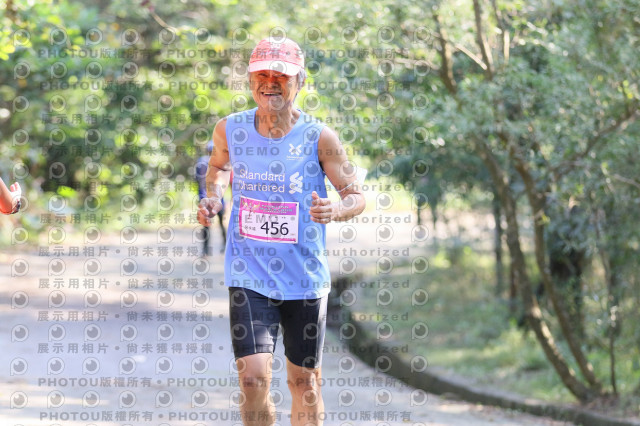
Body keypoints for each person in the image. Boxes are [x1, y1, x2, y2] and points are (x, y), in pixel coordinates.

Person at [197, 36, 366, 426]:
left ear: (299, 81)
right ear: (250, 79)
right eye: (262, 75)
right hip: (249, 273)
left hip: (304, 278)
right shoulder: (230, 129)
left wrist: (336, 209)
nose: (269, 83)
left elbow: (356, 196)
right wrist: (213, 197)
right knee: (253, 378)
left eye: (280, 76)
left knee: (304, 382)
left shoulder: (319, 137)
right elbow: (218, 168)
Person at [195, 141, 226, 255]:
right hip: (218, 199)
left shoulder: (201, 162)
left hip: (205, 198)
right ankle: (225, 246)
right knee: (221, 223)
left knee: (205, 225)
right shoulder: (220, 163)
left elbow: (196, 180)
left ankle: (205, 249)